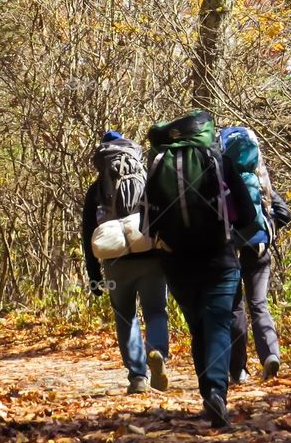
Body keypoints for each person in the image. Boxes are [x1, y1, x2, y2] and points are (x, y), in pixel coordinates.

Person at [144, 111, 258, 428]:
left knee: (199, 329)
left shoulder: (158, 164)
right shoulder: (219, 160)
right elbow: (248, 215)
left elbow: (147, 224)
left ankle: (208, 392)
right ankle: (216, 392)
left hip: (176, 263)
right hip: (219, 258)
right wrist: (230, 237)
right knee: (218, 325)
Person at [81, 131, 170, 394]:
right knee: (156, 311)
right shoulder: (147, 178)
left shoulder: (97, 189)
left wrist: (94, 275)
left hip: (115, 261)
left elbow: (88, 234)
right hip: (151, 257)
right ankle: (157, 352)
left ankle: (137, 377)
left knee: (125, 316)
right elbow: (164, 215)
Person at [222, 126, 281, 384]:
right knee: (259, 304)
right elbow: (283, 211)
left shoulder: (220, 176)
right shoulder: (260, 176)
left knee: (235, 308)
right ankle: (270, 354)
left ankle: (238, 370)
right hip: (259, 245)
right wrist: (270, 230)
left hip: (229, 246)